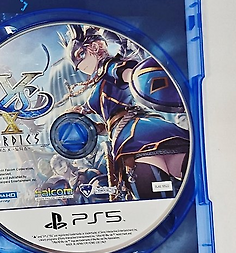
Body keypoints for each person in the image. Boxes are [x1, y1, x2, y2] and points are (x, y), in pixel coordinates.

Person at [58, 25, 189, 200]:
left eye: (80, 56)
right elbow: (107, 121)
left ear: (94, 47)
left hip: (134, 134)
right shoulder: (99, 82)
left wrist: (134, 77)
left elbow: (131, 75)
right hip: (137, 130)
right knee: (171, 183)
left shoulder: (109, 67)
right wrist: (90, 122)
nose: (79, 67)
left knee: (154, 195)